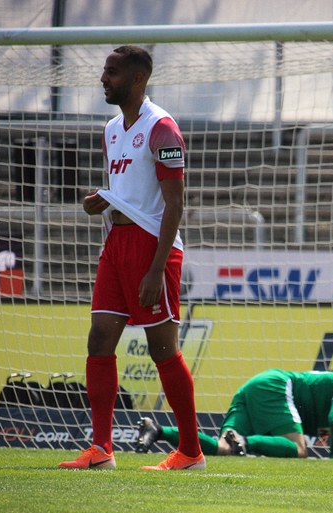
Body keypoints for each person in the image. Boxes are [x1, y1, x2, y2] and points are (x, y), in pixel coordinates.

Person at [59, 45, 203, 471]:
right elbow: (127, 190)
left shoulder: (162, 128)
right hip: (116, 244)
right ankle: (101, 449)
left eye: (113, 72)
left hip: (152, 247)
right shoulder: (110, 129)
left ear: (138, 78)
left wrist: (156, 268)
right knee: (100, 338)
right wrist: (102, 201)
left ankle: (191, 452)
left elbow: (174, 203)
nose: (104, 79)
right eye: (105, 71)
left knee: (162, 349)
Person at [136, 369, 333, 459]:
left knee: (223, 448)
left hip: (256, 386)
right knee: (299, 450)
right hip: (276, 386)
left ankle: (158, 430)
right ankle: (245, 442)